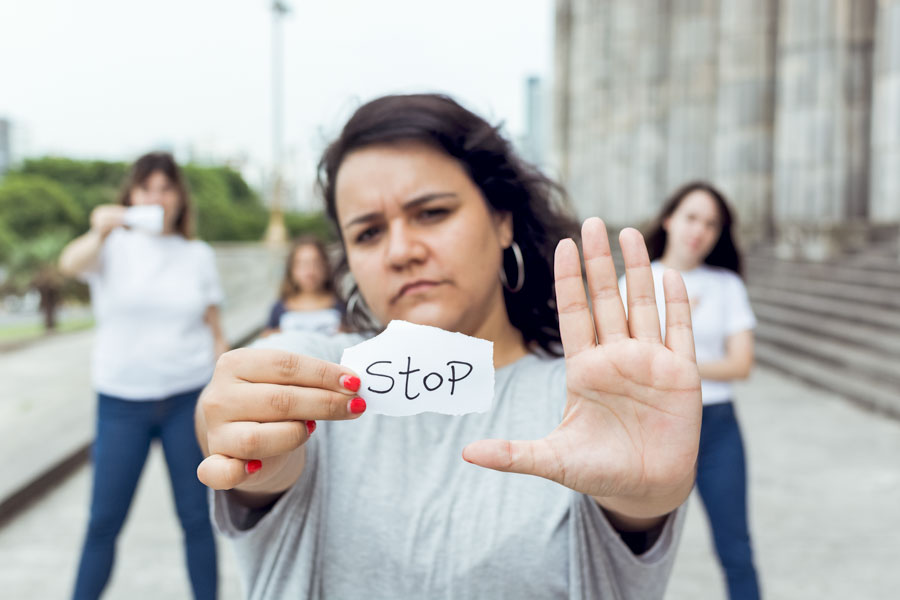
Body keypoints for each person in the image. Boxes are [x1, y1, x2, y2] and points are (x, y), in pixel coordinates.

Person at [195, 95, 703, 599]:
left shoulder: (591, 396)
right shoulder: (325, 378)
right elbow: (244, 420)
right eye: (369, 232)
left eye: (432, 213)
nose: (401, 251)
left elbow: (631, 511)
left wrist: (646, 500)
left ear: (502, 219)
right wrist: (247, 439)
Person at [59, 152, 224, 600]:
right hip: (121, 402)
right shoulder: (111, 248)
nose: (157, 197)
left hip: (186, 399)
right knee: (103, 521)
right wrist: (100, 228)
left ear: (179, 197)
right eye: (147, 188)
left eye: (166, 188)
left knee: (196, 519)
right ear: (132, 195)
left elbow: (216, 332)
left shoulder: (197, 254)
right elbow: (70, 264)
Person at [624, 181, 760, 599]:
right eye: (691, 217)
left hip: (717, 426)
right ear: (669, 219)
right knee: (633, 548)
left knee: (735, 546)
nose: (699, 230)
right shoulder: (637, 281)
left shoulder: (726, 285)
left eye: (711, 223)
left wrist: (673, 360)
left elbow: (741, 363)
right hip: (653, 425)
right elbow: (627, 361)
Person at [261, 236, 342, 337]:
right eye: (302, 264)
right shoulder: (278, 308)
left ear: (326, 267)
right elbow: (266, 339)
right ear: (291, 270)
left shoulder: (342, 305)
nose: (309, 272)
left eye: (316, 263)